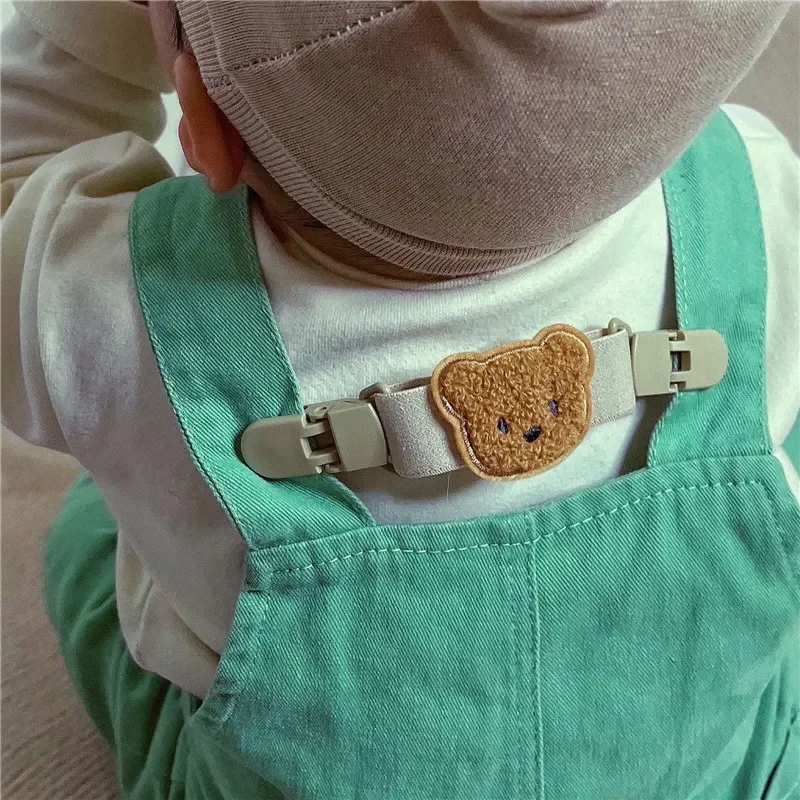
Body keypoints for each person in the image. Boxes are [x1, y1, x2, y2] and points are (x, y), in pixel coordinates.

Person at [2, 1, 799, 798]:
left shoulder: (109, 302)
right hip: (717, 768)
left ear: (203, 129)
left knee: (91, 531)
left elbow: (18, 173)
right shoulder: (758, 194)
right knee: (754, 419)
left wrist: (90, 26)